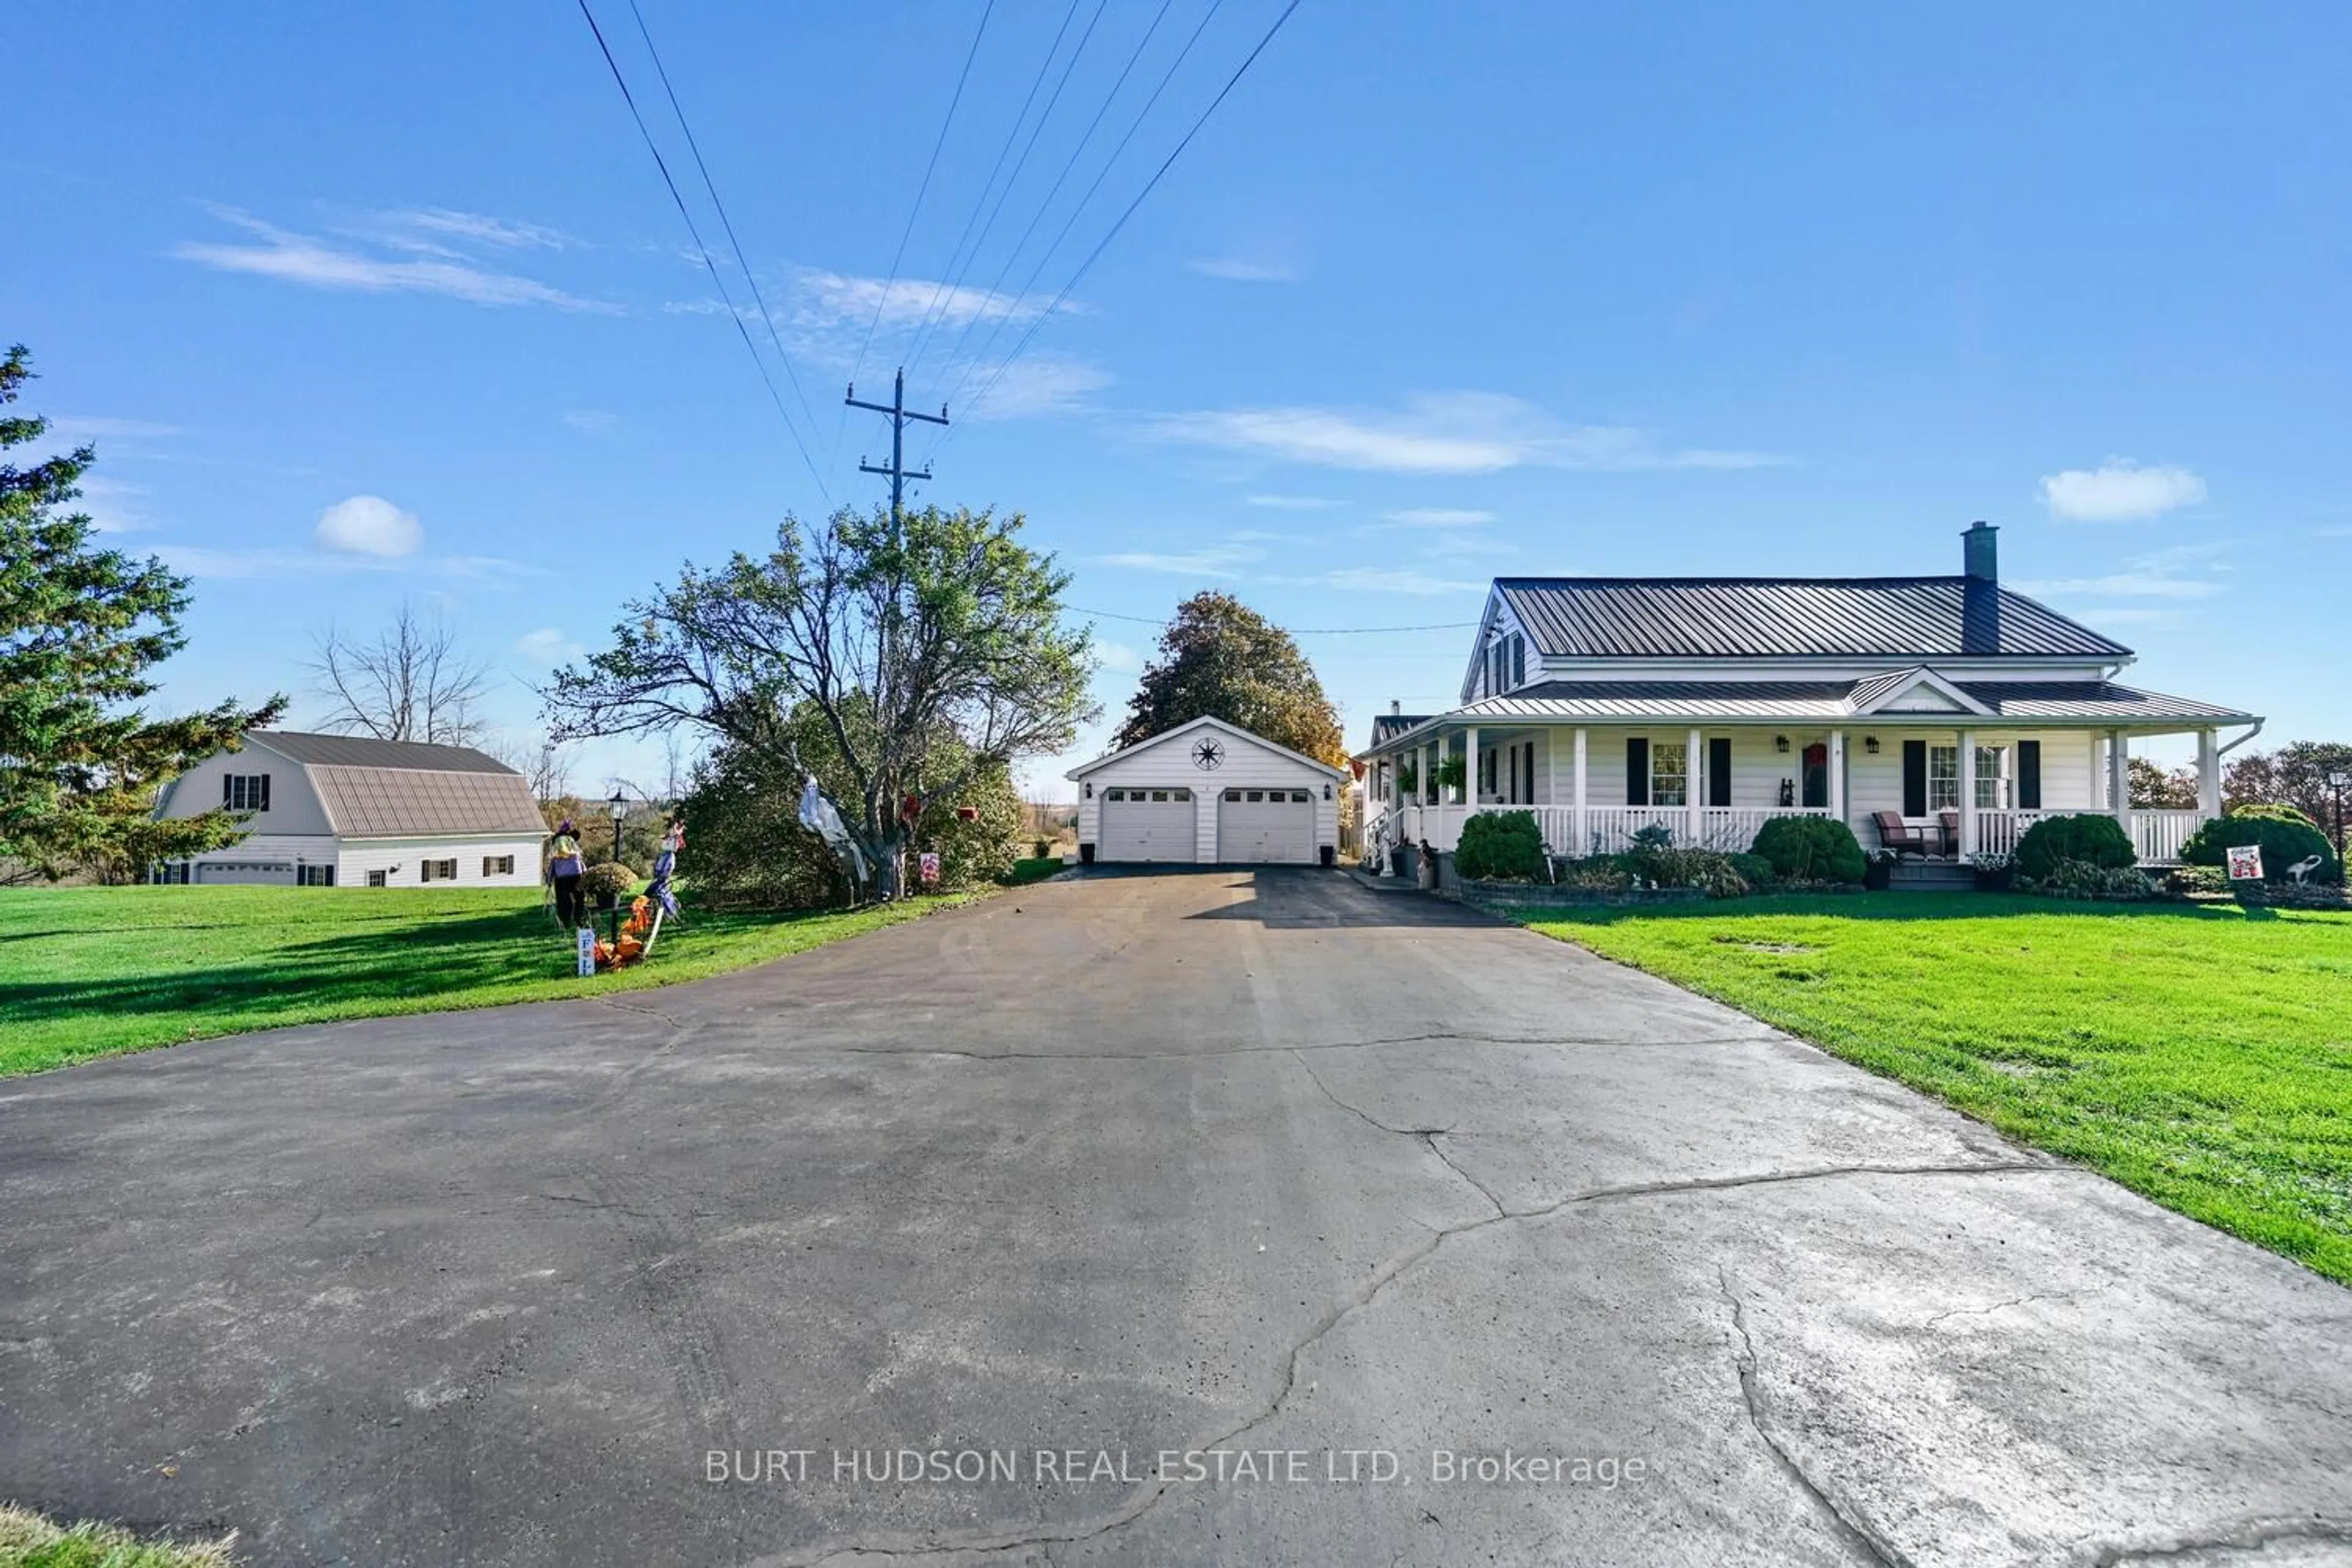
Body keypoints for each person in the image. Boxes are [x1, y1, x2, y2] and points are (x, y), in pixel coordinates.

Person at [548, 818, 586, 926]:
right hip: (576, 877)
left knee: (564, 901)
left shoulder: (557, 858)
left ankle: (566, 920)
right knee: (579, 899)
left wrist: (549, 881)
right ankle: (578, 919)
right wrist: (586, 876)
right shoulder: (575, 856)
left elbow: (552, 870)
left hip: (563, 879)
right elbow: (582, 866)